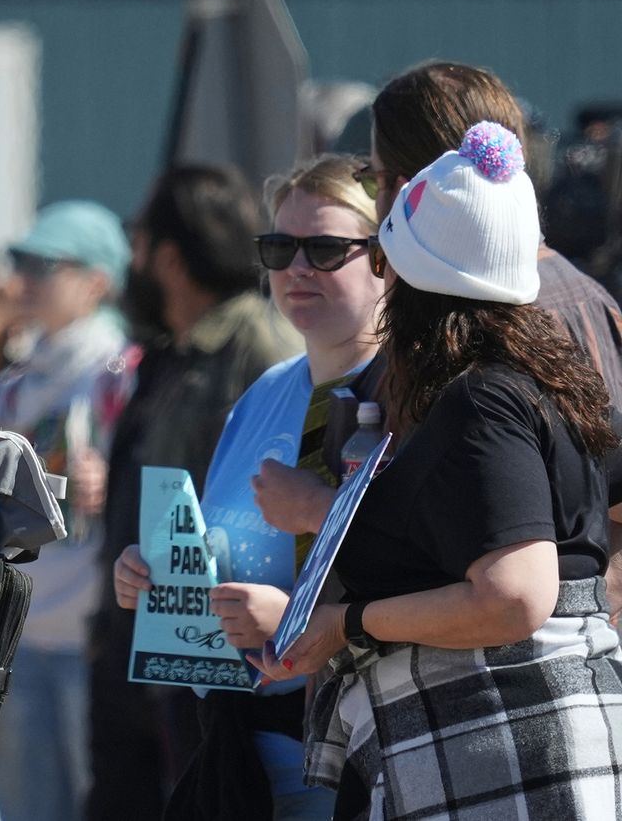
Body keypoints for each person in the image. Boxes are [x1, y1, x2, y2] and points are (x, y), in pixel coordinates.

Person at [259, 123, 622, 818]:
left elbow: (515, 595)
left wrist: (350, 622)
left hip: (505, 762)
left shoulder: (481, 398)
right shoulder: (538, 375)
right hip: (530, 752)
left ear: (402, 271)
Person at [256, 60, 622, 618]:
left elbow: (533, 558)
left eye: (375, 179)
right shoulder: (478, 324)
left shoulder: (520, 325)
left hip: (503, 687)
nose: (382, 201)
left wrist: (587, 618)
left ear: (419, 188)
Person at [114, 154, 384, 819]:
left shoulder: (416, 391)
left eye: (324, 248)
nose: (296, 268)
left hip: (366, 754)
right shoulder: (265, 392)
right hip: (245, 747)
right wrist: (161, 574)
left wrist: (294, 624)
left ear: (387, 261)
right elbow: (222, 548)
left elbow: (432, 567)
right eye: (279, 246)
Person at [86, 164, 299, 821]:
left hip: (218, 661)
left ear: (171, 259)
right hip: (146, 648)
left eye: (142, 246)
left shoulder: (258, 345)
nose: (133, 264)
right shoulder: (171, 352)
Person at [0, 201, 133, 821]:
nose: (21, 277)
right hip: (16, 635)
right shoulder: (14, 380)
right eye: (18, 260)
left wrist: (114, 479)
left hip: (87, 636)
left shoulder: (121, 374)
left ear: (96, 281)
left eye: (42, 264)